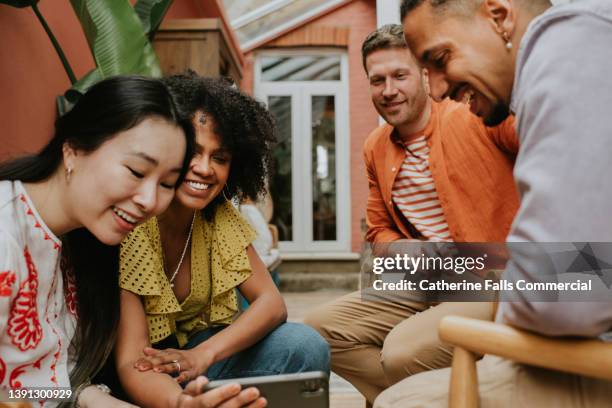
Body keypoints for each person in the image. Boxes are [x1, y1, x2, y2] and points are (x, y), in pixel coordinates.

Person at [373, 0, 612, 406]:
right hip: (441, 281)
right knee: (336, 331)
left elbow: (565, 292)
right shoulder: (375, 147)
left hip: (503, 290)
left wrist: (512, 275)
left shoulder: (568, 50)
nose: (440, 88)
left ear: (499, 16)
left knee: (400, 397)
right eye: (378, 79)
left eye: (440, 59)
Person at [304, 24, 519, 405]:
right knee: (316, 332)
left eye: (399, 75)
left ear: (424, 75)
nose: (388, 90)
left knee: (401, 353)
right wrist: (409, 250)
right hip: (423, 281)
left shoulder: (473, 114)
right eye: (377, 80)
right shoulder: (376, 147)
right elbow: (378, 232)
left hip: (491, 277)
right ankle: (420, 400)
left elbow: (542, 138)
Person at [113, 73, 330, 408]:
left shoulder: (217, 215)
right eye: (193, 152)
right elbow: (131, 362)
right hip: (145, 371)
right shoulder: (135, 220)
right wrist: (183, 401)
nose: (205, 168)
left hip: (199, 358)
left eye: (220, 157)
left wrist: (202, 354)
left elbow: (272, 305)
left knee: (306, 345)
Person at [0, 75, 194, 407]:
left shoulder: (80, 241)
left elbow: (32, 389)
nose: (150, 200)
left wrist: (89, 398)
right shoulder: (5, 235)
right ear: (73, 149)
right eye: (136, 171)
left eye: (168, 183)